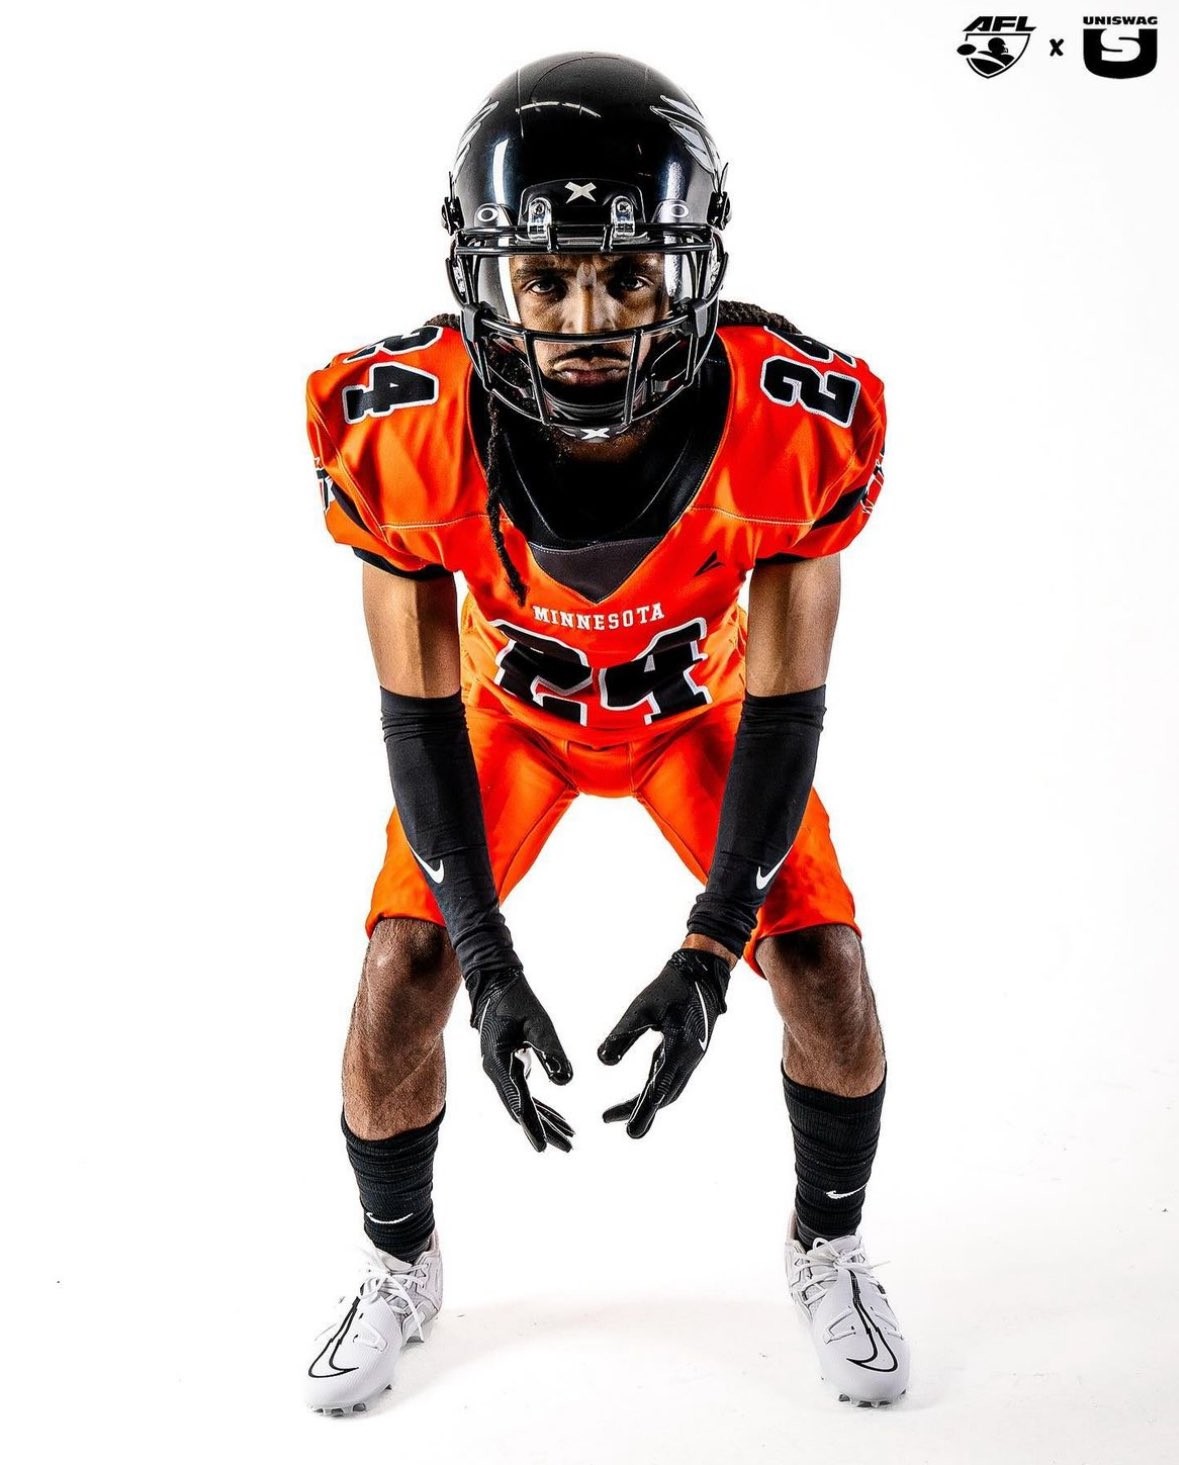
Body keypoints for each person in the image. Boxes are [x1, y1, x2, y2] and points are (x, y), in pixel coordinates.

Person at [303, 51, 909, 1414]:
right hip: (507, 722)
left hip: (703, 716)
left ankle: (829, 1243)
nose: (587, 320)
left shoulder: (789, 423)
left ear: (694, 269)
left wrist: (711, 946)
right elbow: (415, 716)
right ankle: (397, 1260)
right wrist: (483, 953)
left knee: (824, 969)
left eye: (630, 275)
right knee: (403, 970)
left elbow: (789, 710)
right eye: (546, 278)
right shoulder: (405, 432)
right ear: (484, 278)